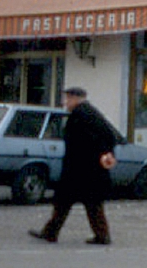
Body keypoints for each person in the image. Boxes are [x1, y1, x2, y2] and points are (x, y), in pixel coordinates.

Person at [30, 87, 120, 245]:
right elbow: (110, 136)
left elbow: (81, 143)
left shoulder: (81, 115)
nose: (65, 102)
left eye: (68, 99)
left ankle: (52, 233)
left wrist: (96, 155)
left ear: (76, 98)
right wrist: (105, 154)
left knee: (68, 202)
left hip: (80, 169)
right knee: (86, 203)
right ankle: (100, 235)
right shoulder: (92, 113)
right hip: (89, 169)